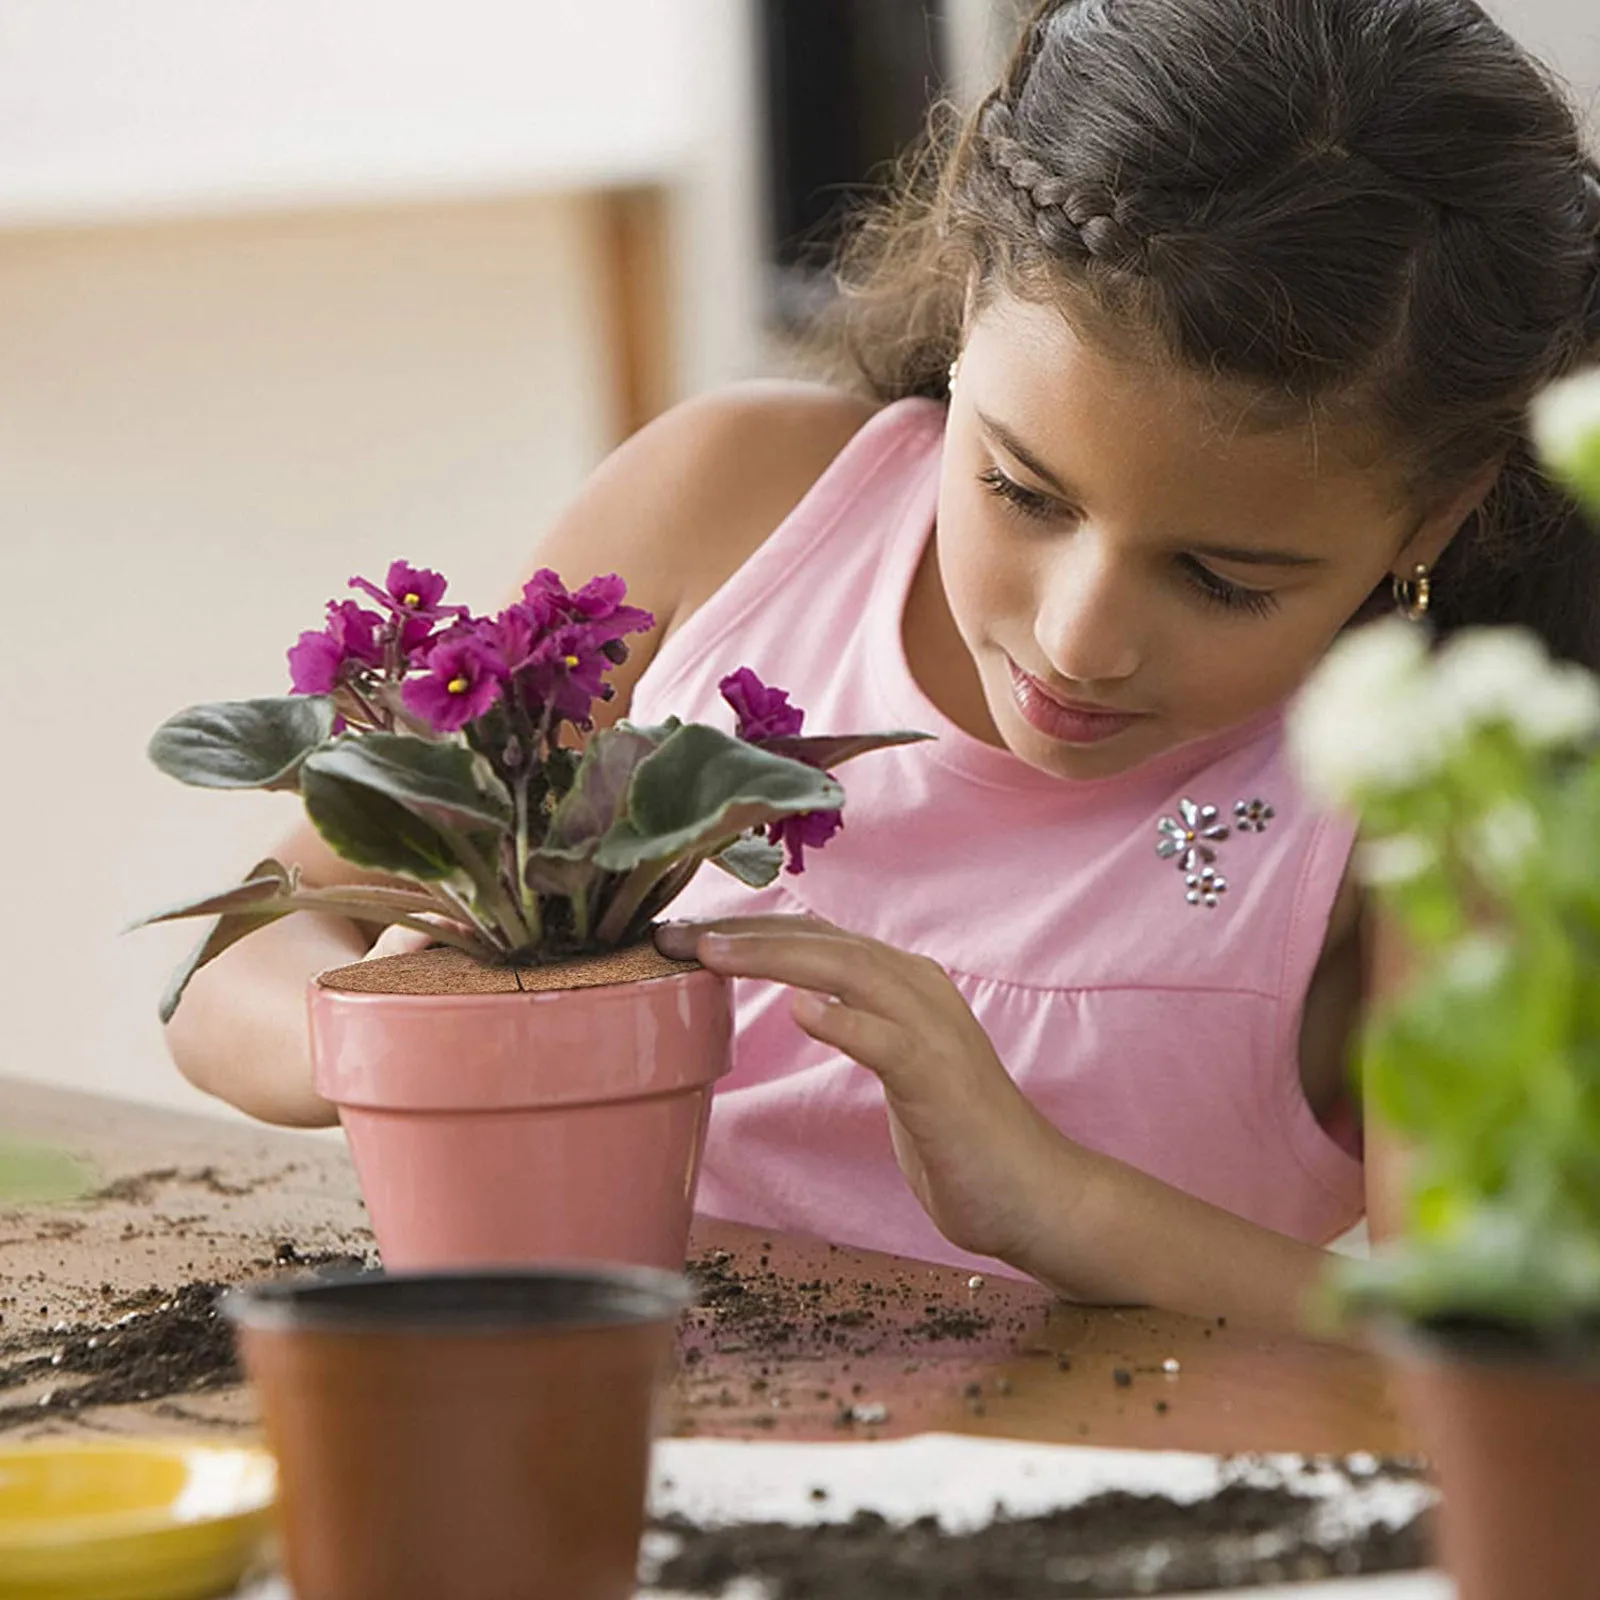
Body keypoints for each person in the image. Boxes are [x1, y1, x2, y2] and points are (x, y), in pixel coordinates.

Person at [166, 0, 1600, 1332]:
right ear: (972, 307)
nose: (1079, 637)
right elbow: (233, 967)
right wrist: (381, 1036)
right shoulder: (731, 507)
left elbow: (1486, 1345)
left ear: (1435, 515)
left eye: (1222, 580)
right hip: (575, 1421)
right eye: (1022, 492)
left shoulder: (1444, 807)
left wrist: (1049, 1200)